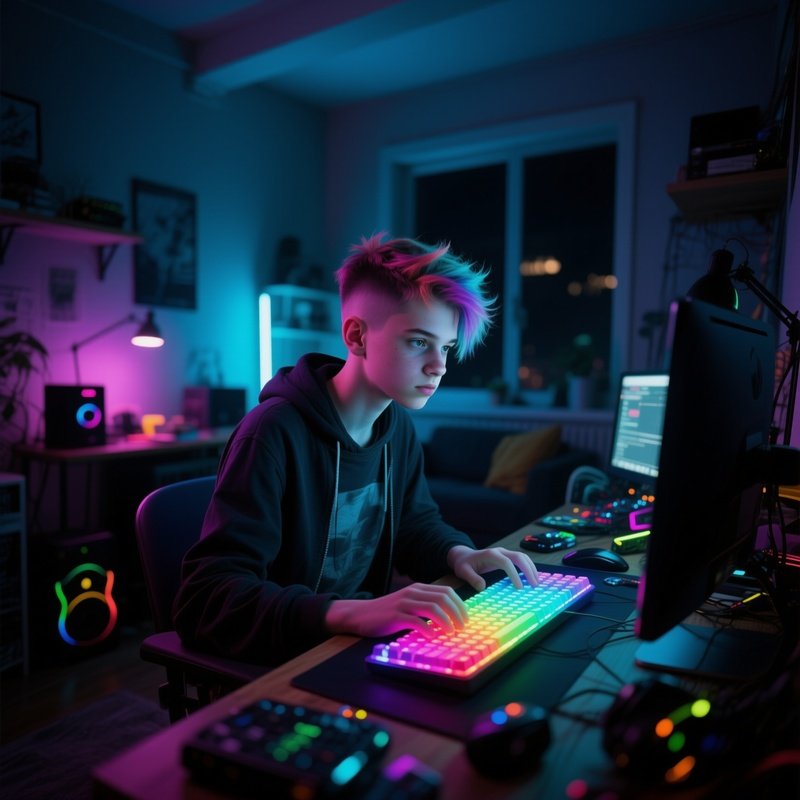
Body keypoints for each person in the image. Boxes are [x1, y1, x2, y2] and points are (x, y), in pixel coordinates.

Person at [173, 232, 538, 665]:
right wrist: (351, 613)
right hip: (283, 660)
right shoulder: (271, 433)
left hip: (352, 646)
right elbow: (205, 599)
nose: (439, 366)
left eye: (446, 347)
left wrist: (460, 554)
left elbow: (414, 524)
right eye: (419, 342)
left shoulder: (396, 427)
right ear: (357, 336)